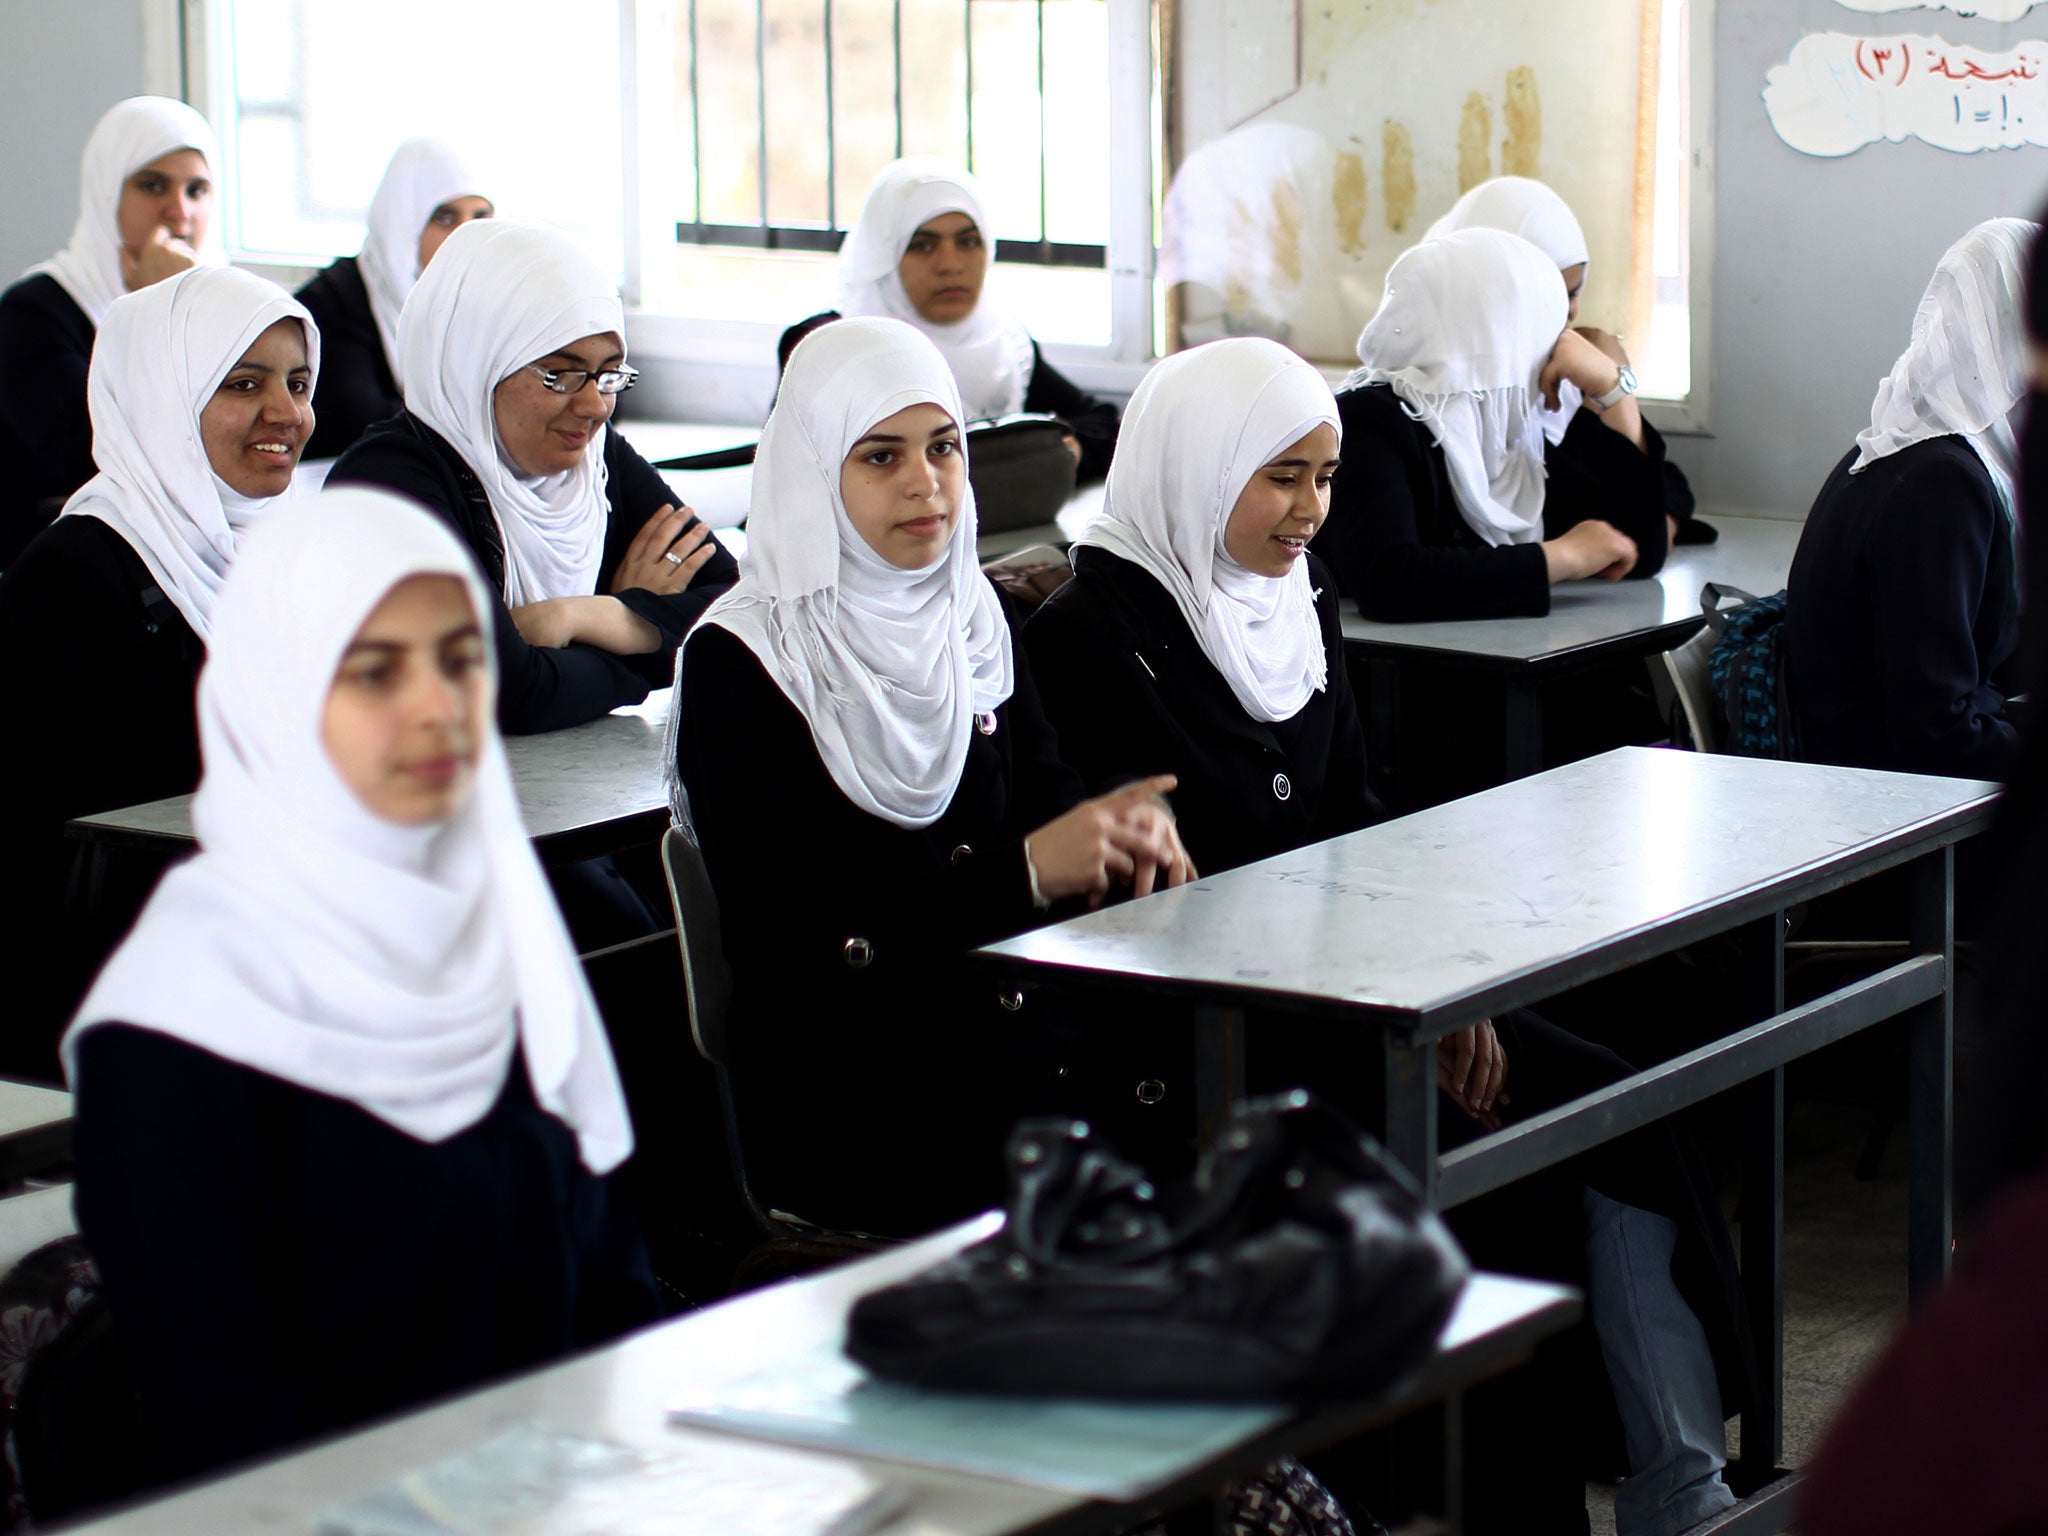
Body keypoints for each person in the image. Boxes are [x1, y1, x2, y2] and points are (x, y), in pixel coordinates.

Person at [1024, 336, 1746, 1536]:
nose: (1310, 512)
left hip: (1364, 991)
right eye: (1278, 478)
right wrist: (1397, 1010)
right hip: (1212, 1038)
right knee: (1493, 1185)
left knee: (1617, 1107)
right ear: (1197, 469)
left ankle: (1677, 1481)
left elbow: (1357, 820)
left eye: (1323, 476)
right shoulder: (1088, 637)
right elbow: (1135, 915)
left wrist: (1452, 994)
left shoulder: (1295, 599)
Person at [64, 489, 659, 1496]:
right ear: (279, 687)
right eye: (374, 670)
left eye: (462, 658)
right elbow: (240, 1435)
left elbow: (609, 1297)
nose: (436, 705)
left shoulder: (489, 927)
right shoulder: (177, 1022)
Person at [671, 314, 1194, 1238]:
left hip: (1007, 1035)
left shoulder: (972, 614)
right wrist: (1028, 870)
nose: (926, 484)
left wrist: (1114, 840)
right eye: (880, 458)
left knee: (1235, 1126)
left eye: (945, 448)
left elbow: (1046, 796)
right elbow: (807, 941)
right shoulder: (748, 660)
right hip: (858, 1085)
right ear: (812, 473)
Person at [0, 265, 317, 1075]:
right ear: (163, 400)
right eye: (244, 384)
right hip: (116, 950)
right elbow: (106, 815)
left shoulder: (282, 552)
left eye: (299, 382)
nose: (287, 413)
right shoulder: (70, 575)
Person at [332, 218, 737, 734]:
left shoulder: (595, 463)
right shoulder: (389, 486)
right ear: (476, 362)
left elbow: (734, 612)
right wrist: (643, 649)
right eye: (561, 374)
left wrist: (586, 616)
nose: (594, 405)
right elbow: (498, 692)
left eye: (609, 372)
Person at [1318, 228, 1675, 623]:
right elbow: (1390, 580)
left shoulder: (1503, 428)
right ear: (1502, 331)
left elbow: (1634, 547)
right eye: (1545, 331)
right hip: (1395, 676)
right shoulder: (1370, 421)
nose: (1555, 347)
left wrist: (1613, 391)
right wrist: (1563, 557)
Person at [1785, 217, 2033, 782]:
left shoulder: (1905, 447)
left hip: (1894, 783)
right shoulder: (1940, 488)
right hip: (1894, 817)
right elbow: (1937, 735)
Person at [776, 157, 1120, 481]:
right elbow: (795, 470)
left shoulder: (1002, 344)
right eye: (923, 246)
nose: (950, 265)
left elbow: (1101, 425)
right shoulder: (828, 345)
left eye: (969, 242)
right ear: (884, 256)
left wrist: (1064, 455)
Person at [1425, 175, 1705, 548]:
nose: (1570, 311)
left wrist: (1613, 390)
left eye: (1575, 292)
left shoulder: (1561, 378)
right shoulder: (1428, 404)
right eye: (1554, 293)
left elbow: (1671, 484)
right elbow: (1636, 533)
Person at [0, 96, 222, 564]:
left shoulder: (220, 302)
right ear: (106, 195)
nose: (179, 213)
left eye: (197, 191)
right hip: (61, 567)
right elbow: (101, 458)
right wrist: (155, 310)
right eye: (152, 186)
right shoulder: (31, 315)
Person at [297, 137, 492, 459]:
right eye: (445, 217)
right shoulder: (332, 303)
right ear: (404, 222)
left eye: (480, 217)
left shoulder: (487, 301)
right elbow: (360, 423)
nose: (466, 234)